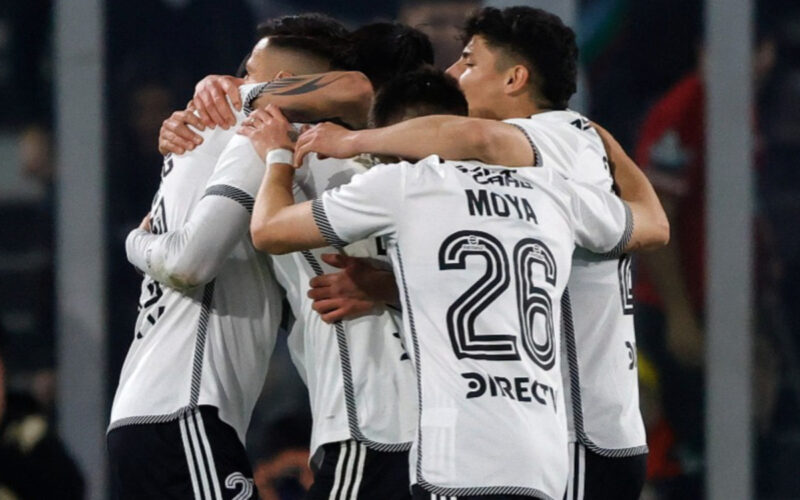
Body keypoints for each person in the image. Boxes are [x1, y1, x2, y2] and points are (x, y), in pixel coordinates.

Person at [293, 7, 667, 499]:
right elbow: (654, 224)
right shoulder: (566, 151)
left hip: (575, 431)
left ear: (516, 78)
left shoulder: (545, 136)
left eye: (468, 62)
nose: (451, 74)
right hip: (594, 433)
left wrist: (350, 140)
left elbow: (474, 136)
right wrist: (390, 284)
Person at [151, 20, 436, 500]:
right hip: (456, 434)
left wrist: (216, 107)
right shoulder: (446, 174)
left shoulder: (291, 150)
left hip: (370, 427)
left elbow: (240, 240)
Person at [107, 15, 362, 499]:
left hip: (151, 413)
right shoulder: (251, 134)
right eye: (242, 73)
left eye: (249, 73)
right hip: (183, 411)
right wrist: (134, 245)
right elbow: (189, 263)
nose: (235, 84)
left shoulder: (203, 138)